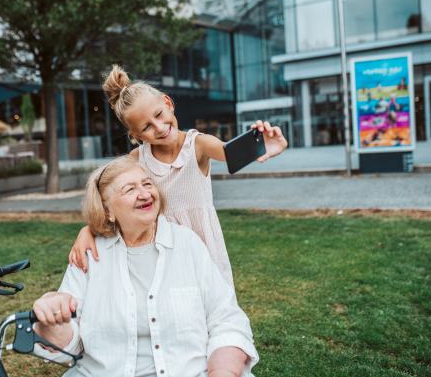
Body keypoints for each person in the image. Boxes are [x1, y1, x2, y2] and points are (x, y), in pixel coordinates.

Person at [32, 156, 259, 376]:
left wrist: (222, 373)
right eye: (129, 189)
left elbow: (227, 320)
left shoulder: (187, 243)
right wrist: (52, 321)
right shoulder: (90, 254)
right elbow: (66, 347)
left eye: (147, 184)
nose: (145, 193)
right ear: (108, 211)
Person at [69, 65, 287, 287]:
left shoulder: (198, 144)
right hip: (160, 246)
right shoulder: (138, 158)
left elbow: (227, 150)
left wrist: (262, 147)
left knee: (210, 305)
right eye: (147, 127)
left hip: (202, 242)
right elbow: (101, 187)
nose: (160, 127)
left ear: (168, 103)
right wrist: (87, 229)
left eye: (159, 114)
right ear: (136, 135)